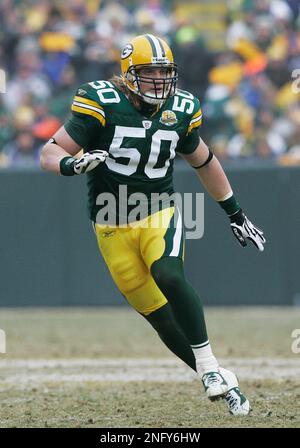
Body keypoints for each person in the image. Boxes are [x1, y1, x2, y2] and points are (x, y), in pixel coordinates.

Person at [40, 34, 266, 416]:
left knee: (170, 276)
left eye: (165, 72)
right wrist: (71, 163)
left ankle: (209, 368)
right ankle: (220, 378)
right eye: (150, 72)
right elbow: (50, 151)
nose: (159, 80)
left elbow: (205, 161)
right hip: (110, 222)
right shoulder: (101, 103)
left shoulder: (180, 108)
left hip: (156, 211)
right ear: (129, 75)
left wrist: (236, 213)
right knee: (160, 318)